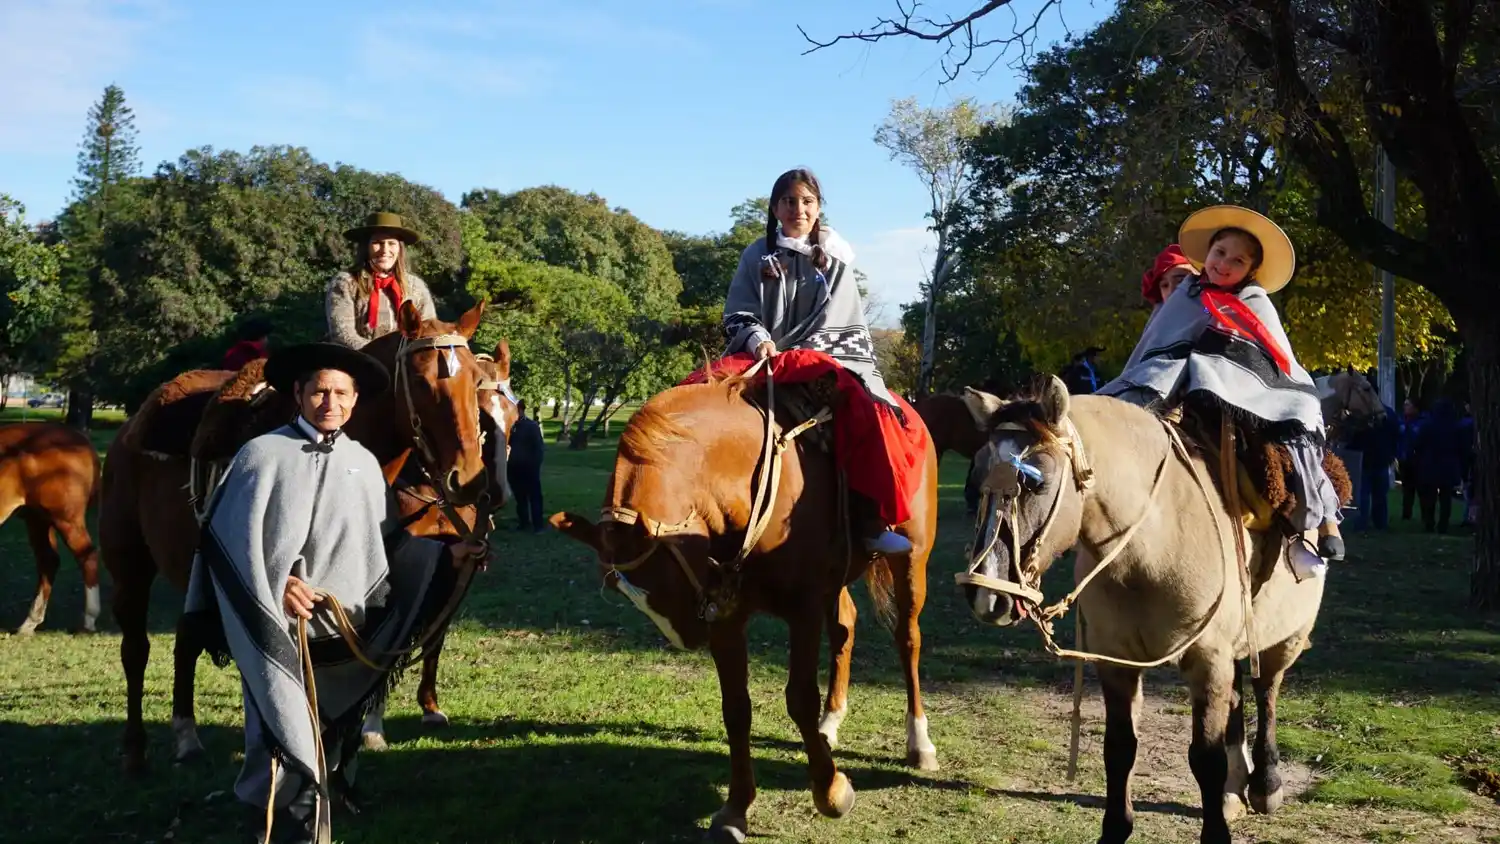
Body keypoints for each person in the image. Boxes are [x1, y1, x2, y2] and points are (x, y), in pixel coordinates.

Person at [181, 342, 487, 844]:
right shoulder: (261, 456)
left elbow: (385, 543)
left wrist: (446, 556)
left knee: (334, 733)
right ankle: (277, 823)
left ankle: (322, 807)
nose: (331, 402)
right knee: (279, 735)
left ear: (355, 399)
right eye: (320, 391)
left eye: (341, 393)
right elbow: (229, 541)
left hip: (345, 635)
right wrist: (279, 583)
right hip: (281, 631)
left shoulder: (362, 463)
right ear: (299, 394)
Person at [1097, 204, 1345, 574]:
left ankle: (1305, 528)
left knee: (1289, 431)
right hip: (1174, 387)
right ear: (1208, 253)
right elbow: (1158, 346)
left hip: (1242, 394)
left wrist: (1214, 358)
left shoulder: (1254, 300)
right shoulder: (1186, 295)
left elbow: (1269, 355)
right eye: (1220, 252)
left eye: (1237, 260)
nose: (1224, 264)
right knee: (1120, 418)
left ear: (1251, 270)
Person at [721, 168, 923, 556]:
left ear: (818, 208)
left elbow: (841, 317)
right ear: (775, 208)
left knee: (867, 412)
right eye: (789, 201)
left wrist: (804, 352)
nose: (798, 209)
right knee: (702, 389)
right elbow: (739, 310)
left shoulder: (835, 257)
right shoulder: (755, 254)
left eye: (807, 201)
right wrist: (758, 338)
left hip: (822, 356)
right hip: (762, 355)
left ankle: (869, 520)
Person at [326, 211, 438, 349]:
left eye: (391, 243)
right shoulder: (345, 283)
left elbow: (429, 330)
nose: (385, 250)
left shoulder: (416, 287)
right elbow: (343, 334)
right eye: (377, 243)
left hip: (406, 358)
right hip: (357, 357)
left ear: (399, 248)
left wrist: (405, 354)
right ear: (366, 247)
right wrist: (383, 354)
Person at [507, 399, 546, 534]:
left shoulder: (531, 426)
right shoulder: (509, 426)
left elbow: (539, 448)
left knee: (534, 497)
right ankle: (523, 523)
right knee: (520, 497)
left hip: (529, 468)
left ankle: (538, 525)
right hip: (513, 467)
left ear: (521, 410)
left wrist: (534, 466)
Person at [1141, 244, 1197, 317]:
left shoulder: (1208, 313)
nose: (1171, 291)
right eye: (1165, 285)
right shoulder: (1160, 322)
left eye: (1180, 281)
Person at [1397, 398, 1425, 520]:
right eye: (1405, 405)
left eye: (1408, 405)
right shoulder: (1401, 421)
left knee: (1422, 489)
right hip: (1405, 460)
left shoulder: (1422, 422)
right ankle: (1406, 514)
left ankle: (1425, 515)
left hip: (1419, 461)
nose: (1405, 407)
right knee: (1407, 489)